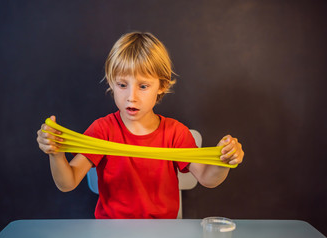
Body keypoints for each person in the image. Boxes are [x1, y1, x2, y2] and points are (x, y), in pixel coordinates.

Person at [36, 32, 244, 219]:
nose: (131, 97)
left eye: (143, 86)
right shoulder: (102, 130)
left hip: (163, 233)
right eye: (122, 85)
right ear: (111, 83)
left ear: (161, 86)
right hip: (111, 233)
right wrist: (56, 153)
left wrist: (223, 160)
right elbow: (68, 182)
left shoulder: (175, 133)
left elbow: (208, 178)